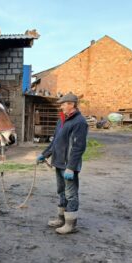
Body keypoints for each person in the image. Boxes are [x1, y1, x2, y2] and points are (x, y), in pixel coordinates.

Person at [37, 92, 88, 234]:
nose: (61, 107)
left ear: (71, 104)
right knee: (61, 192)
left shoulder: (80, 122)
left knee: (71, 194)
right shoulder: (62, 120)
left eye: (63, 104)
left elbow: (79, 147)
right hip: (59, 162)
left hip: (68, 165)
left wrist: (71, 168)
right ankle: (61, 219)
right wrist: (44, 154)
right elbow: (55, 141)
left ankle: (70, 224)